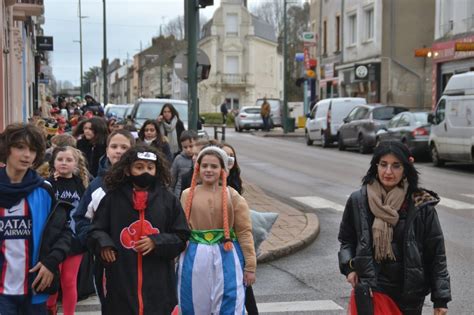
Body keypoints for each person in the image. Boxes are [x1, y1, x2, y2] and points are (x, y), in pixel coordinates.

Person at [338, 141, 451, 315]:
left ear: (406, 168)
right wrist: (349, 267)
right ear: (376, 166)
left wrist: (440, 298)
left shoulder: (421, 204)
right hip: (373, 289)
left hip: (410, 294)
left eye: (396, 166)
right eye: (383, 165)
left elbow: (436, 254)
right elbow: (347, 240)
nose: (388, 172)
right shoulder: (359, 200)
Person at [87, 146, 190, 315]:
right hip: (121, 277)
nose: (145, 172)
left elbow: (181, 236)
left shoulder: (168, 200)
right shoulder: (112, 198)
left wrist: (157, 242)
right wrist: (103, 244)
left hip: (158, 280)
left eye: (150, 168)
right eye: (139, 167)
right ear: (128, 170)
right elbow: (95, 229)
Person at [0, 123, 72, 314]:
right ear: (6, 149)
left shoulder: (44, 191)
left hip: (34, 290)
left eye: (32, 150)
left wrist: (51, 262)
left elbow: (64, 233)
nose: (27, 155)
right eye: (20, 147)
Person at [178, 146, 256, 315]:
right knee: (193, 303)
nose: (209, 170)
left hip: (227, 254)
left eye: (214, 166)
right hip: (194, 256)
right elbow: (180, 229)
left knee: (229, 302)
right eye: (205, 165)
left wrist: (250, 266)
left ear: (223, 170)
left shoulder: (232, 196)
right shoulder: (186, 195)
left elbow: (244, 231)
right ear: (198, 168)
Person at [73, 130, 135, 309]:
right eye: (114, 146)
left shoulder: (144, 182)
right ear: (106, 150)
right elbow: (81, 220)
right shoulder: (97, 186)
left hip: (139, 260)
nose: (118, 151)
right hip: (108, 261)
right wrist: (98, 243)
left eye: (124, 147)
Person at [46, 146, 90, 315]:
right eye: (60, 159)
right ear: (53, 162)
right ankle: (50, 309)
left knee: (69, 281)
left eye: (69, 160)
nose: (64, 163)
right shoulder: (48, 184)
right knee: (51, 281)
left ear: (76, 164)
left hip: (75, 241)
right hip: (52, 242)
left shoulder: (81, 184)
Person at [221, 143, 258, 315]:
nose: (228, 160)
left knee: (242, 290)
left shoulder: (234, 188)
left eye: (231, 156)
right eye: (224, 155)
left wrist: (250, 264)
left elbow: (244, 229)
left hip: (232, 246)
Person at [170, 131, 197, 197]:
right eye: (185, 147)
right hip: (180, 193)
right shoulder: (178, 159)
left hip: (195, 193)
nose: (188, 149)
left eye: (191, 146)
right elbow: (173, 178)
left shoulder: (200, 158)